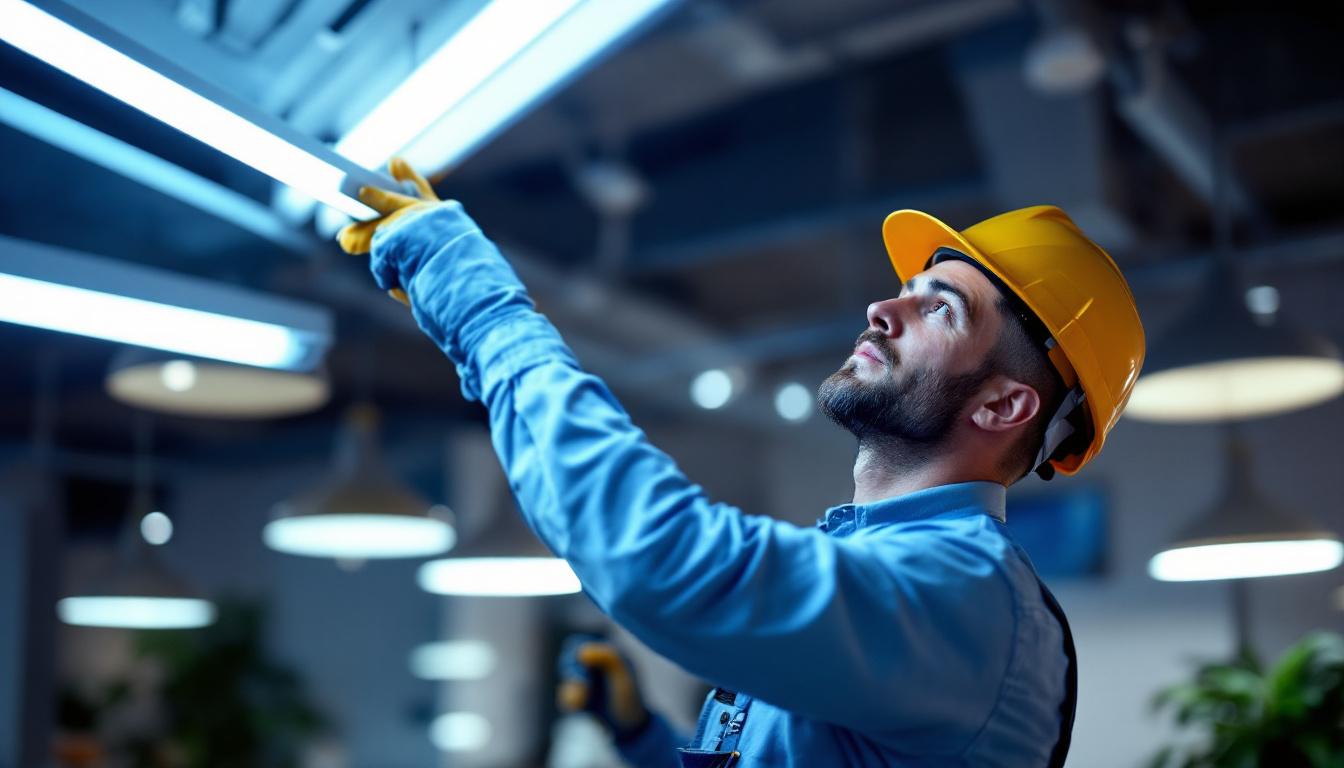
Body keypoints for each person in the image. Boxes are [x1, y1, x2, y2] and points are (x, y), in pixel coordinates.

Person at [339, 159, 1145, 767]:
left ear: (1003, 407)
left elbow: (658, 559)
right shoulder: (883, 566)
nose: (883, 306)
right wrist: (642, 738)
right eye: (907, 283)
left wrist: (482, 310)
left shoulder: (967, 594)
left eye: (940, 307)